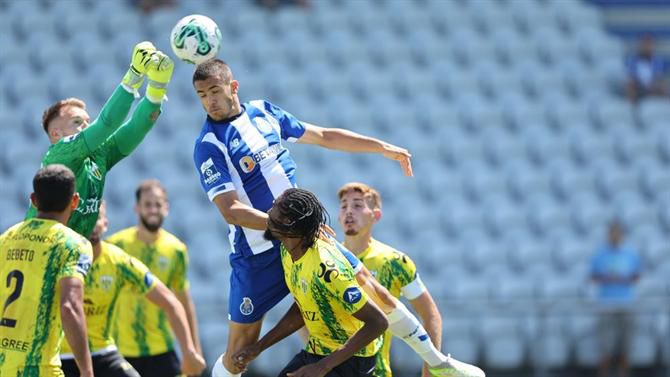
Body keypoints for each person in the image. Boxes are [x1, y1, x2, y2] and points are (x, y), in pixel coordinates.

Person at [191, 59, 474, 376]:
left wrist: (383, 148)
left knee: (370, 285)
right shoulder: (209, 145)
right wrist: (288, 227)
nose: (210, 101)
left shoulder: (264, 113)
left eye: (215, 90)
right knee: (240, 352)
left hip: (300, 237)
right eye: (202, 95)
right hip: (257, 253)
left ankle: (437, 363)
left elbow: (324, 136)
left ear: (234, 86)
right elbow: (230, 210)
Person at [232, 188, 388, 377]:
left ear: (288, 222)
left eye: (274, 207)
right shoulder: (288, 250)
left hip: (351, 361)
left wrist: (322, 367)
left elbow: (378, 323)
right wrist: (258, 347)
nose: (268, 212)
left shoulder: (327, 269)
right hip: (319, 350)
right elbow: (303, 308)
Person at [25, 41, 175, 238]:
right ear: (56, 134)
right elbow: (106, 124)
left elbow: (135, 130)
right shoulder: (60, 154)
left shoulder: (98, 155)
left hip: (72, 252)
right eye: (77, 121)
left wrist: (157, 88)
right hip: (39, 249)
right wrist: (135, 74)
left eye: (88, 120)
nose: (87, 125)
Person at [338, 182, 481, 377]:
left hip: (375, 371)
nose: (349, 212)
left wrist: (430, 371)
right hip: (331, 369)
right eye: (344, 205)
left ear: (375, 215)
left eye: (357, 205)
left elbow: (430, 314)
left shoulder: (394, 262)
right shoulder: (327, 258)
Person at [60, 201, 206, 377]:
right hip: (61, 355)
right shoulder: (57, 259)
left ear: (105, 223)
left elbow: (171, 302)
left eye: (96, 217)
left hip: (102, 351)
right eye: (85, 217)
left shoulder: (118, 261)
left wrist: (189, 351)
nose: (91, 223)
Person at [0, 165, 93, 377]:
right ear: (75, 201)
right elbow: (70, 307)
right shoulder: (73, 244)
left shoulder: (5, 239)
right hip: (38, 368)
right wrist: (87, 370)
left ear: (33, 199)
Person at [106, 179, 201, 377]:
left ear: (166, 207)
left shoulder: (176, 250)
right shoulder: (116, 246)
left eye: (158, 204)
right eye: (147, 204)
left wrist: (193, 350)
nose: (153, 210)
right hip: (121, 350)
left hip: (161, 348)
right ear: (136, 207)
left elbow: (184, 302)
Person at [590, 220, 641, 377]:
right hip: (606, 303)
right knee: (605, 346)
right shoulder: (600, 255)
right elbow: (592, 278)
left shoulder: (631, 255)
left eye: (618, 233)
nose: (615, 236)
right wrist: (608, 279)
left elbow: (637, 277)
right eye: (612, 233)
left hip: (626, 303)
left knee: (626, 345)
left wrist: (622, 279)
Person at [625, 34, 667, 103]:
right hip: (638, 88)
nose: (646, 47)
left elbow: (659, 77)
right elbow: (631, 76)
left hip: (653, 87)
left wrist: (653, 85)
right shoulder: (632, 60)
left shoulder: (657, 61)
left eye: (649, 44)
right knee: (630, 85)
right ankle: (631, 109)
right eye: (644, 44)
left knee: (664, 86)